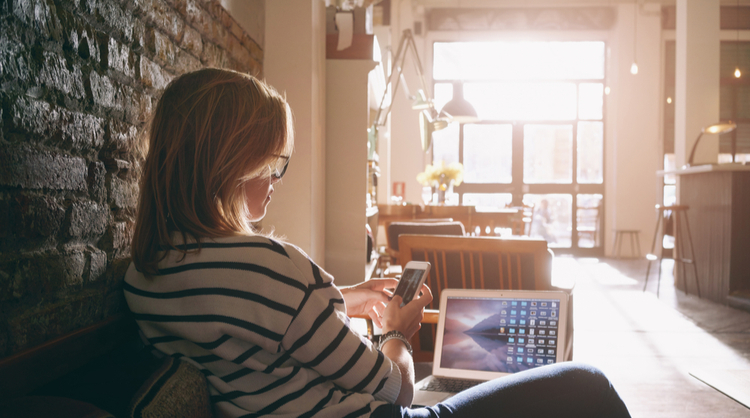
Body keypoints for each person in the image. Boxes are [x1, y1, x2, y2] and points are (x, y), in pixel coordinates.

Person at [125, 68, 631, 418]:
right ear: (231, 162)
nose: (277, 178)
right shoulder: (268, 265)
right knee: (588, 383)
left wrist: (344, 296)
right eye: (272, 161)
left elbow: (242, 319)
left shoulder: (147, 274)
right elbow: (398, 388)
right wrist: (398, 333)